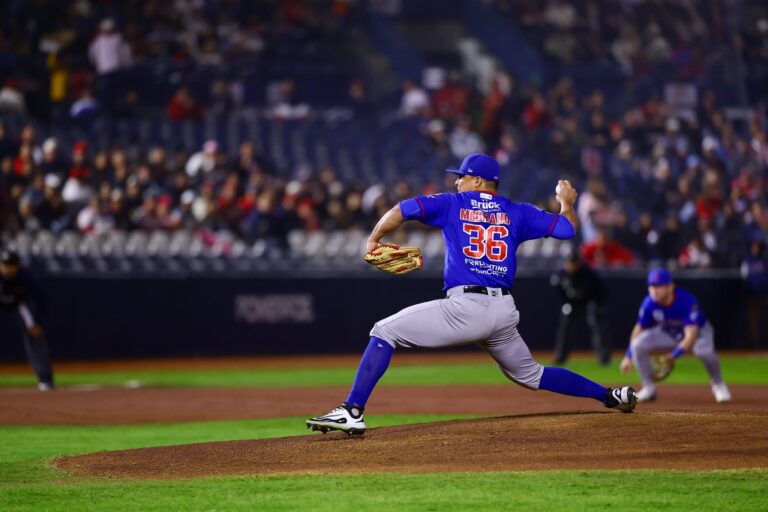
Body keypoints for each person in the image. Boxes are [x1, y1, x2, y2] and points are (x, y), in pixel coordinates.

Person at [307, 153, 637, 435]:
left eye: (463, 177)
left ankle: (351, 410)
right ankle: (610, 395)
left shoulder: (453, 204)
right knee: (532, 374)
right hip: (503, 311)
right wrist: (566, 203)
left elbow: (401, 209)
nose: (457, 182)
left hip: (468, 307)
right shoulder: (517, 211)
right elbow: (566, 229)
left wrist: (374, 240)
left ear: (479, 181)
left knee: (384, 330)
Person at [620, 268, 730, 403]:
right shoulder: (649, 303)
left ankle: (718, 385)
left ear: (670, 286)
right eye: (651, 286)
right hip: (669, 332)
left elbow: (691, 336)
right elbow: (638, 329)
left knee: (704, 351)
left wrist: (673, 356)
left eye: (659, 286)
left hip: (698, 334)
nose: (654, 290)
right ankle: (648, 387)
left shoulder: (686, 301)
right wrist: (628, 356)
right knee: (637, 344)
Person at [0, 250, 55, 391]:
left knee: (35, 334)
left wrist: (38, 322)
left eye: (12, 265)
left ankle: (45, 379)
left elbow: (40, 299)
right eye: (5, 265)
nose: (8, 269)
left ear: (18, 266)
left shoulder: (26, 276)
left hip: (20, 305)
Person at [551, 251, 611, 365]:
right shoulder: (560, 276)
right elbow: (559, 294)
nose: (572, 265)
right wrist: (566, 304)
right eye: (569, 262)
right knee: (566, 323)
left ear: (579, 263)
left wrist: (598, 305)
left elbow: (601, 291)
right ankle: (561, 356)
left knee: (597, 322)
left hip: (591, 301)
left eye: (574, 262)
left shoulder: (589, 273)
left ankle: (604, 358)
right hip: (573, 303)